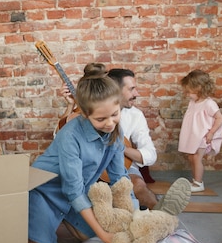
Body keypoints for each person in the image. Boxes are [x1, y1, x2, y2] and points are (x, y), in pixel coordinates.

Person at [28, 72, 132, 243]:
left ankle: (65, 216)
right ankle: (29, 217)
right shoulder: (70, 136)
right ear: (84, 114)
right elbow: (73, 190)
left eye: (115, 115)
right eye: (101, 119)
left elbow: (119, 179)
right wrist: (105, 236)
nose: (110, 123)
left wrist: (135, 215)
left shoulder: (116, 131)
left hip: (76, 192)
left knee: (93, 238)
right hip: (46, 191)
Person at [60, 64, 158, 209]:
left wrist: (117, 146)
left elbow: (150, 155)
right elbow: (60, 137)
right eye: (131, 89)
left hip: (121, 166)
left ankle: (163, 215)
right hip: (89, 168)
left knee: (136, 184)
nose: (136, 93)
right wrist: (70, 106)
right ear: (115, 91)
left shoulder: (135, 115)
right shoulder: (86, 113)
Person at [178, 69, 222, 193]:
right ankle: (195, 180)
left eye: (189, 92)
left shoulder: (209, 104)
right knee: (191, 157)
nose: (187, 94)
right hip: (194, 135)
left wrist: (211, 133)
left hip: (202, 136)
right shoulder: (193, 102)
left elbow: (220, 118)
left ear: (199, 88)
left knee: (197, 157)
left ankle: (199, 183)